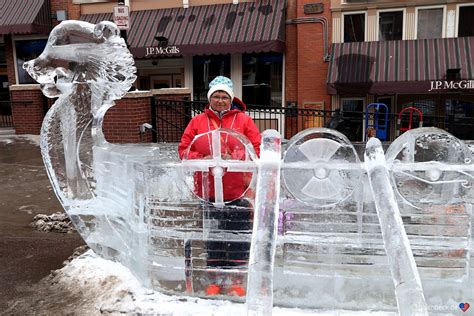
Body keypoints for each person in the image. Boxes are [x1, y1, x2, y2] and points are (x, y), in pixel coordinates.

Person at [178, 76, 261, 297]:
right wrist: (205, 157)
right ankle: (215, 280)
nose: (221, 100)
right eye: (216, 96)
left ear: (231, 99)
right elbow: (184, 151)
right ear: (209, 99)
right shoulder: (197, 122)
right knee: (213, 237)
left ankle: (235, 280)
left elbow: (257, 149)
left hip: (239, 191)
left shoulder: (244, 120)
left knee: (238, 238)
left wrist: (236, 156)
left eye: (225, 96)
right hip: (208, 192)